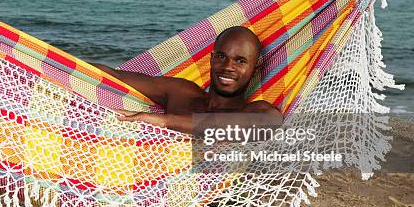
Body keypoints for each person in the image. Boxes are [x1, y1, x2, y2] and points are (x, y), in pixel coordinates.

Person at [92, 26, 283, 135]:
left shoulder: (255, 111)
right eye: (221, 57)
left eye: (240, 61)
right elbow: (112, 76)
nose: (227, 67)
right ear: (211, 58)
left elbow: (269, 123)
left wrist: (165, 121)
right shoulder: (182, 93)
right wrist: (63, 66)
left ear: (254, 68)